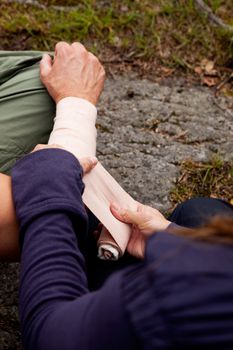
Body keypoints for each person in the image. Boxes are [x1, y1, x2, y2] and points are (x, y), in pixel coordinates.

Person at [2, 42, 233, 349]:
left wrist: (49, 192)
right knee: (200, 215)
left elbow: (51, 335)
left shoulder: (190, 297)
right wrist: (171, 235)